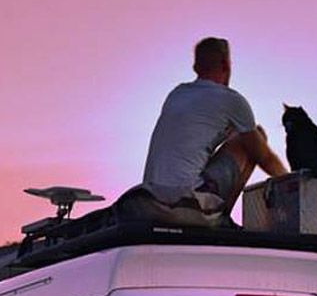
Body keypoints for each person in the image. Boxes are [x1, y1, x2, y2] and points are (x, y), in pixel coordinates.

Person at [120, 37, 288, 226]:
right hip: (187, 203)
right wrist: (294, 186)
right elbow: (264, 157)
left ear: (196, 67)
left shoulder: (177, 94)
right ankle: (221, 218)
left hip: (151, 199)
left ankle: (217, 215)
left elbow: (194, 141)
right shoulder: (231, 100)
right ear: (225, 64)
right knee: (252, 138)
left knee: (239, 135)